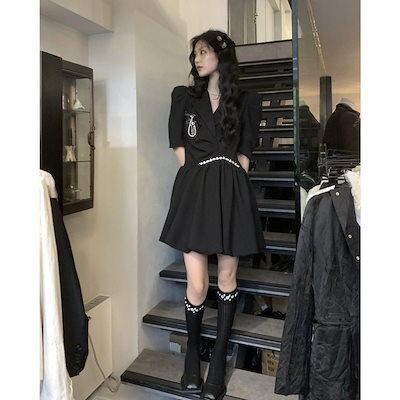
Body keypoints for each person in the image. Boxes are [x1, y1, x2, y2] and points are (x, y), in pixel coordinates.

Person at [159, 29, 265, 400]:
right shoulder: (183, 96)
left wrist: (229, 176)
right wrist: (201, 175)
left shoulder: (247, 100)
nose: (197, 59)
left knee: (228, 277)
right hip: (195, 191)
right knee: (198, 283)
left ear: (222, 55)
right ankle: (193, 354)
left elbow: (246, 152)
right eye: (195, 54)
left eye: (203, 52)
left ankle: (218, 360)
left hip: (232, 192)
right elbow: (178, 144)